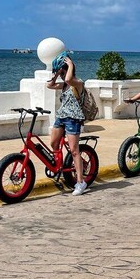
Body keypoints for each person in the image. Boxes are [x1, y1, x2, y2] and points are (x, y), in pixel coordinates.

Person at [47, 51, 88, 196]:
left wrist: (69, 64)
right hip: (61, 117)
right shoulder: (63, 84)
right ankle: (59, 167)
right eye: (62, 72)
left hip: (73, 118)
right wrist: (56, 74)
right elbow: (49, 86)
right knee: (53, 143)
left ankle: (80, 182)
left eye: (63, 71)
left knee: (74, 150)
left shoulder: (78, 83)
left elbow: (70, 78)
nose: (63, 75)